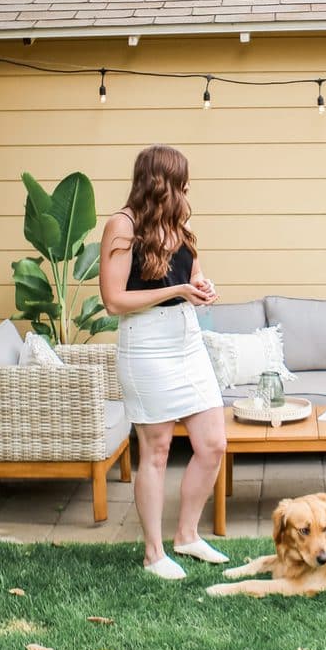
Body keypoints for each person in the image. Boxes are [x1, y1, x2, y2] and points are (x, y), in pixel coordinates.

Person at [99, 144, 228, 578]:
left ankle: (187, 536)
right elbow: (114, 300)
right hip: (147, 346)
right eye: (181, 179)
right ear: (161, 182)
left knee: (213, 445)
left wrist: (202, 287)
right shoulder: (122, 226)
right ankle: (154, 553)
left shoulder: (180, 223)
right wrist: (175, 292)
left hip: (187, 342)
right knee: (155, 450)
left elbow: (191, 276)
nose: (188, 186)